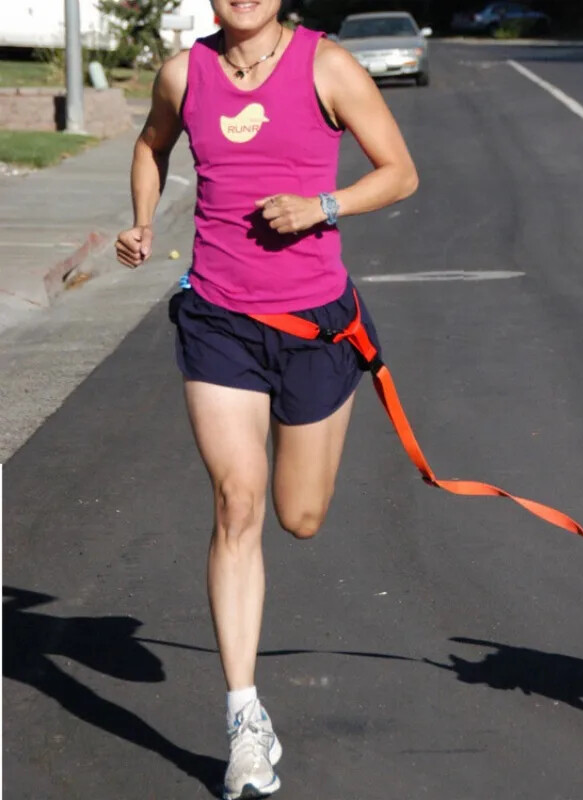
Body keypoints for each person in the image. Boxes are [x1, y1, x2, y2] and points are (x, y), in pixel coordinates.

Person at [115, 1, 418, 797]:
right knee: (236, 503)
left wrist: (325, 206)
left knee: (299, 516)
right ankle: (244, 719)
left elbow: (400, 171)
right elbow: (150, 147)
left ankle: (250, 711)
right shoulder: (184, 72)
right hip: (217, 317)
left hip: (315, 324)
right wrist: (143, 222)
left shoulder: (327, 65)